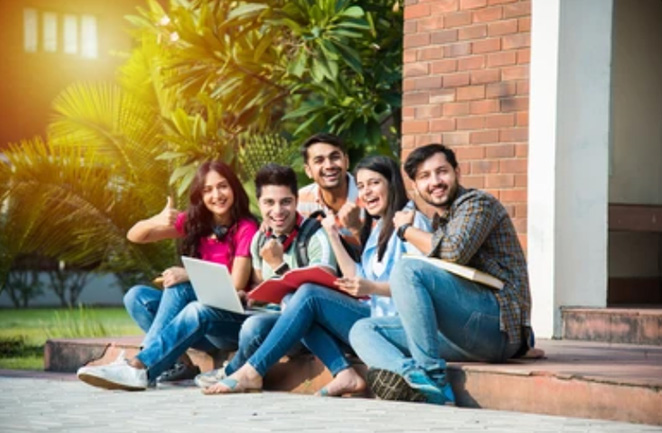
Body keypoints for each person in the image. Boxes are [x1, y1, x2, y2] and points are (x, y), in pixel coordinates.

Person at [203, 156, 431, 397]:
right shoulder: (380, 226)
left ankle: (250, 371)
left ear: (392, 183)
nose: (366, 192)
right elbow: (359, 277)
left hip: (392, 322)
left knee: (305, 295)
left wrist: (371, 287)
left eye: (374, 183)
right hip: (371, 315)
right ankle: (342, 373)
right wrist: (333, 235)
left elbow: (417, 286)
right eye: (362, 186)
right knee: (282, 308)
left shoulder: (411, 223)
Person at [349, 144, 532, 405]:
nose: (435, 182)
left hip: (497, 326)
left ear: (457, 172)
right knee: (363, 329)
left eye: (441, 172)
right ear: (415, 186)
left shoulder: (478, 204)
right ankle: (413, 378)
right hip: (461, 332)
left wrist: (405, 230)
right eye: (424, 176)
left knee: (406, 267)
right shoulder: (440, 222)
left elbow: (454, 251)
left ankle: (433, 377)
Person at [76, 161, 265, 391]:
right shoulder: (197, 223)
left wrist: (188, 275)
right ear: (200, 195)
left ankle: (140, 364)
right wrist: (156, 220)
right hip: (193, 326)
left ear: (234, 187)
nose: (216, 195)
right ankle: (179, 365)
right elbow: (135, 235)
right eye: (207, 190)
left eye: (222, 186)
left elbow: (236, 284)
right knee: (136, 296)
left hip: (226, 324)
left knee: (179, 288)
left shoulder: (245, 227)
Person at [194, 133, 363, 387]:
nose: (278, 210)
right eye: (269, 203)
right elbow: (263, 287)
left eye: (286, 202)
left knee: (294, 300)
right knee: (249, 323)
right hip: (278, 319)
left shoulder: (317, 235)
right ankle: (238, 372)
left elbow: (316, 296)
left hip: (325, 320)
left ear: (297, 201)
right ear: (259, 204)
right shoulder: (260, 238)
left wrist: (278, 264)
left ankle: (238, 372)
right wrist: (249, 296)